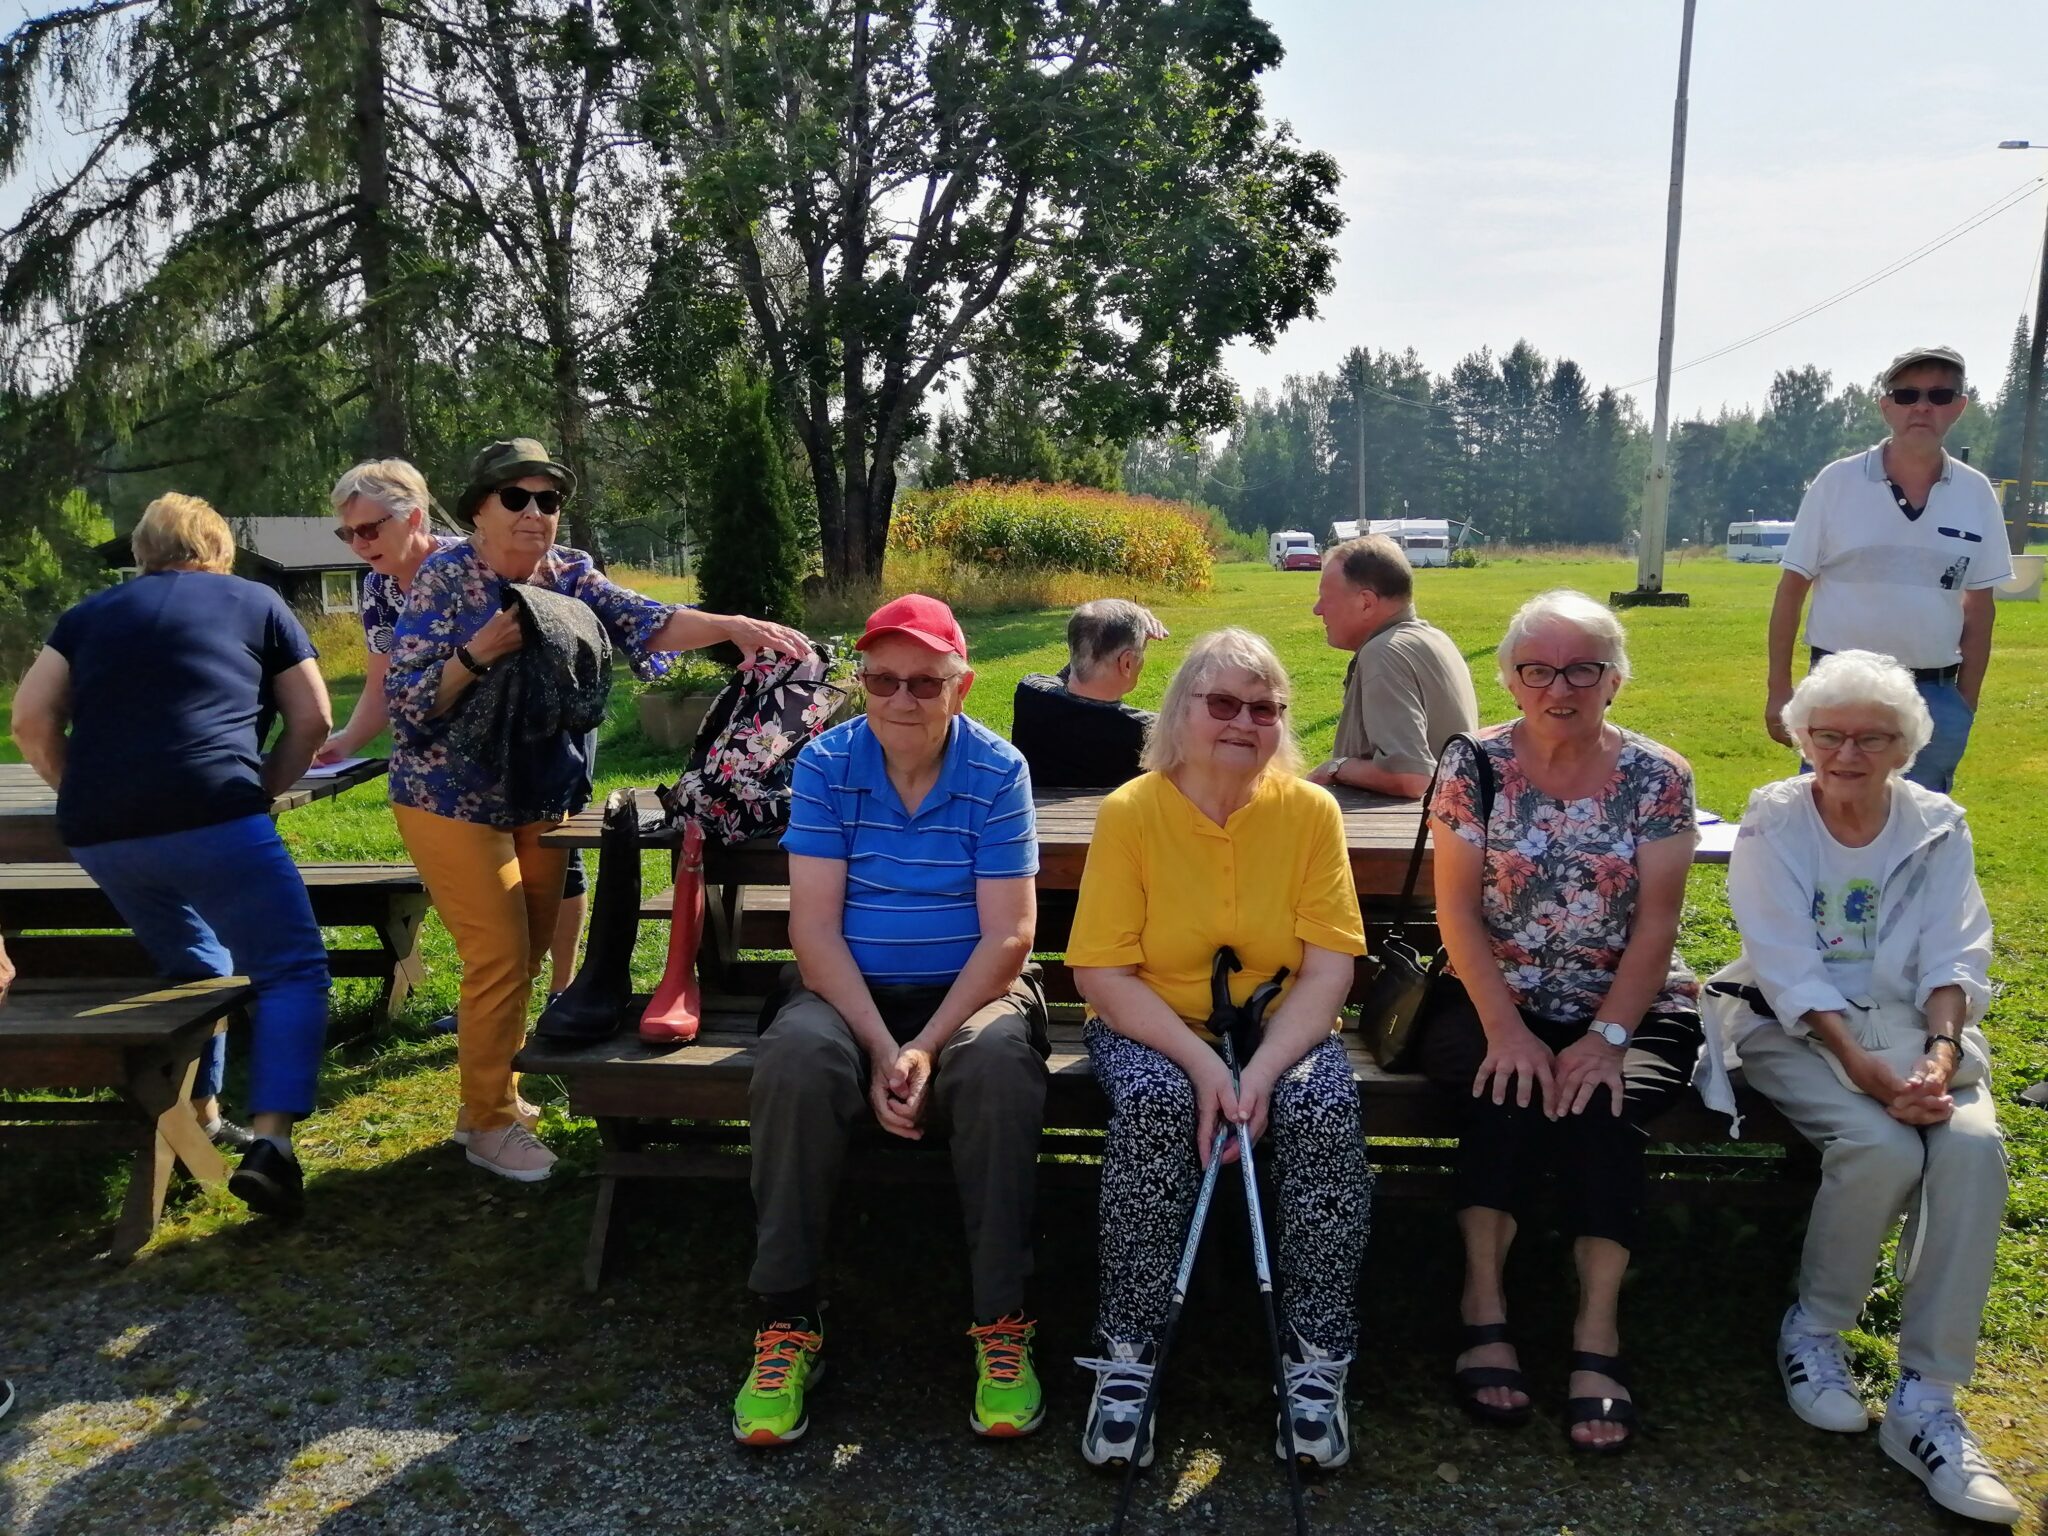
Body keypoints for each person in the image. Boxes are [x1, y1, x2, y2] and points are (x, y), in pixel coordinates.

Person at [385, 438, 808, 1183]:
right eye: (516, 498)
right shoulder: (444, 580)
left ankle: (488, 1099)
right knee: (499, 956)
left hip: (540, 794)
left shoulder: (569, 572)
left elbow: (649, 620)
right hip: (448, 796)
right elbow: (408, 703)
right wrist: (478, 652)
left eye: (548, 500)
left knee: (529, 951)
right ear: (478, 510)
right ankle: (487, 1122)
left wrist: (734, 626)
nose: (534, 512)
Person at [1702, 651, 2016, 1526]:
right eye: (1829, 735)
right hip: (1797, 1027)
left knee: (1972, 1149)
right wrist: (1865, 1070)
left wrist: (1939, 1057)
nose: (1847, 753)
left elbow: (1957, 952)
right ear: (1802, 738)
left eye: (1872, 738)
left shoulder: (1938, 823)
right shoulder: (1774, 819)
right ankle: (1816, 1329)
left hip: (1916, 1032)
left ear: (1905, 746)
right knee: (1879, 1146)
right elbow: (1785, 964)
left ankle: (1927, 1397)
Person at [732, 594, 1047, 1447]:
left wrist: (925, 1046)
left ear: (961, 686)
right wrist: (882, 1048)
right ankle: (787, 1319)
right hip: (848, 992)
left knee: (997, 1068)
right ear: (862, 684)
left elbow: (1010, 935)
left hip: (971, 991)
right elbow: (813, 930)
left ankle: (1002, 1320)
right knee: (796, 1062)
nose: (901, 698)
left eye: (924, 682)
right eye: (881, 680)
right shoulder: (826, 763)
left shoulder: (998, 770)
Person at [1067, 628, 1370, 1471]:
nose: (1245, 722)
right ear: (1181, 711)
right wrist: (1205, 1067)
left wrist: (1261, 1072)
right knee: (1157, 1104)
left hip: (1281, 1033)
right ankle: (1127, 1357)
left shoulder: (1310, 812)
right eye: (1225, 704)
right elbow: (1101, 973)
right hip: (1152, 1024)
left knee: (1321, 1105)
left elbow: (1329, 970)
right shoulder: (1133, 812)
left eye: (1265, 709)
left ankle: (1315, 1361)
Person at [1422, 590, 1700, 1453]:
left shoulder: (1658, 776)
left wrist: (1607, 1039)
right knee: (1501, 1088)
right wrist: (1507, 1030)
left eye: (1583, 669)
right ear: (1510, 680)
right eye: (1537, 670)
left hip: (1627, 1002)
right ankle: (1484, 1304)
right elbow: (1457, 914)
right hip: (1489, 994)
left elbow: (1656, 924)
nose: (1560, 688)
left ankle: (1597, 1330)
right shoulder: (1474, 764)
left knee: (1603, 1103)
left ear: (1614, 679)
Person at [11, 494, 335, 1218]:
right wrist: (262, 790)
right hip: (214, 811)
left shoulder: (87, 615)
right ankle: (272, 1145)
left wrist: (81, 793)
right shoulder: (257, 602)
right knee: (291, 970)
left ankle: (205, 1116)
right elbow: (314, 716)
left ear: (142, 553)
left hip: (102, 834)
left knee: (196, 964)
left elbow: (29, 719)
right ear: (218, 549)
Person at [322, 460, 585, 1023]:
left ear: (413, 517)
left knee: (560, 865)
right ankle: (497, 1006)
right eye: (347, 533)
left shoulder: (471, 559)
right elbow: (385, 684)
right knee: (489, 909)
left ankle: (562, 991)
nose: (359, 543)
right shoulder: (378, 588)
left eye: (368, 528)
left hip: (534, 739)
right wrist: (346, 741)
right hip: (453, 775)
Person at [1765, 345, 2011, 794]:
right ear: (1886, 407)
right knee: (1831, 815)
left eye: (1939, 395)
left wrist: (1965, 701)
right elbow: (1792, 589)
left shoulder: (1976, 493)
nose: (1922, 407)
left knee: (1921, 825)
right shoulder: (1837, 483)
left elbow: (1980, 607)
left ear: (1959, 406)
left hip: (1934, 695)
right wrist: (1779, 688)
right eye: (1907, 395)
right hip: (1840, 693)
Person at [1308, 534, 1477, 799]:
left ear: (1366, 602)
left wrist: (1336, 767)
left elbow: (1412, 778)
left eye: (1325, 598)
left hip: (1405, 825)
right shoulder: (1434, 639)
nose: (1317, 610)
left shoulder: (1384, 653)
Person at [1011, 599, 1167, 788]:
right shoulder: (1151, 732)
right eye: (1142, 652)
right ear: (1126, 663)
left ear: (1075, 650)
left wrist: (1093, 639)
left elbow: (1062, 677)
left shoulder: (1030, 694)